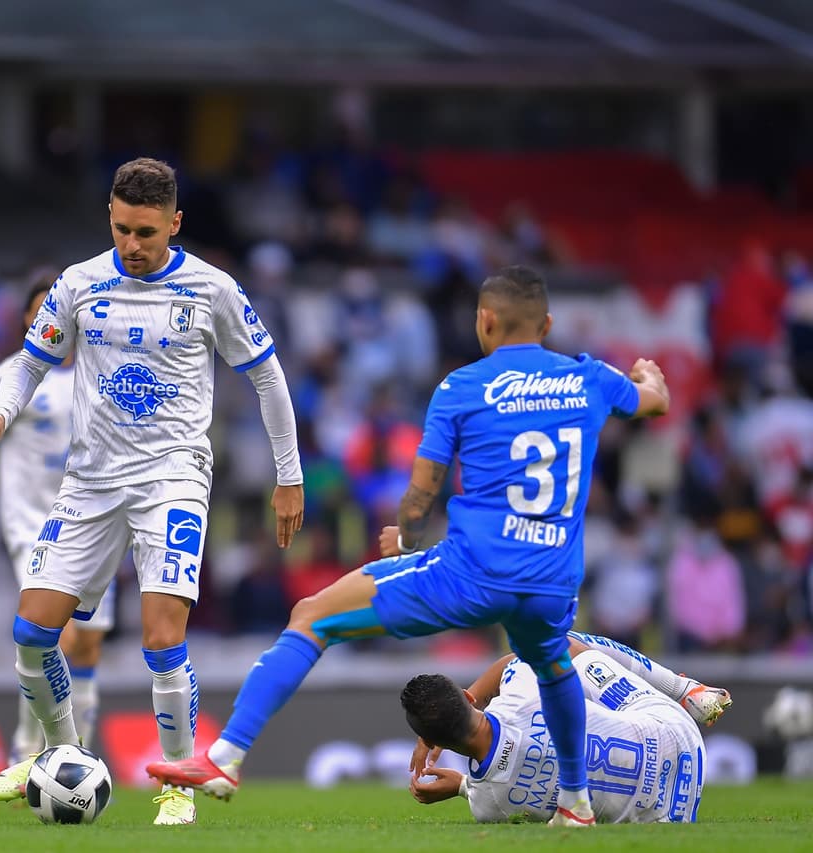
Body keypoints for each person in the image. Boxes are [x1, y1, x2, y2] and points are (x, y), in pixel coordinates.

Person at [147, 264, 671, 828]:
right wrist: (646, 375)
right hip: (551, 580)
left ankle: (226, 758)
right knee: (553, 668)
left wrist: (406, 539)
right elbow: (654, 402)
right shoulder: (589, 379)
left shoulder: (463, 387)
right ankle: (576, 803)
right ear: (546, 323)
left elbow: (421, 491)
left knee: (313, 616)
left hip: (472, 573)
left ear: (485, 321)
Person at [0, 158, 305, 825]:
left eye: (147, 232)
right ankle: (63, 754)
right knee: (31, 633)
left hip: (171, 478)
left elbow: (268, 378)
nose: (133, 246)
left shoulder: (213, 290)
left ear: (175, 223)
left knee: (159, 638)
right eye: (121, 230)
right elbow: (30, 361)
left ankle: (177, 785)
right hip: (89, 482)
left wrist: (287, 476)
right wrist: (2, 413)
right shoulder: (79, 283)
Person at [0, 277, 117, 764]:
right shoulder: (7, 378)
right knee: (53, 635)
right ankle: (29, 753)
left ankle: (75, 754)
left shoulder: (102, 375)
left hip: (96, 525)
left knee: (86, 646)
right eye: (40, 310)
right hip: (33, 528)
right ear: (28, 321)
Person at [402, 631, 731, 823]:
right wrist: (474, 694)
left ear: (432, 739)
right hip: (680, 735)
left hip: (669, 813)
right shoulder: (522, 688)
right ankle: (684, 691)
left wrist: (461, 785)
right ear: (465, 697)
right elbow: (522, 659)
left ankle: (682, 692)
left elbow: (487, 786)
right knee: (562, 646)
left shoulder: (487, 806)